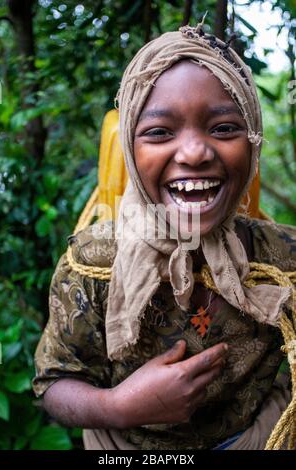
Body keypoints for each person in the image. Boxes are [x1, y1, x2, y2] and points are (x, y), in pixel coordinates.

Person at [33, 23, 296, 450]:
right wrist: (120, 407)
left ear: (252, 144)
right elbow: (55, 384)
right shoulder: (93, 263)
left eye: (225, 128)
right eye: (159, 132)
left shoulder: (283, 260)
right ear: (131, 153)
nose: (194, 153)